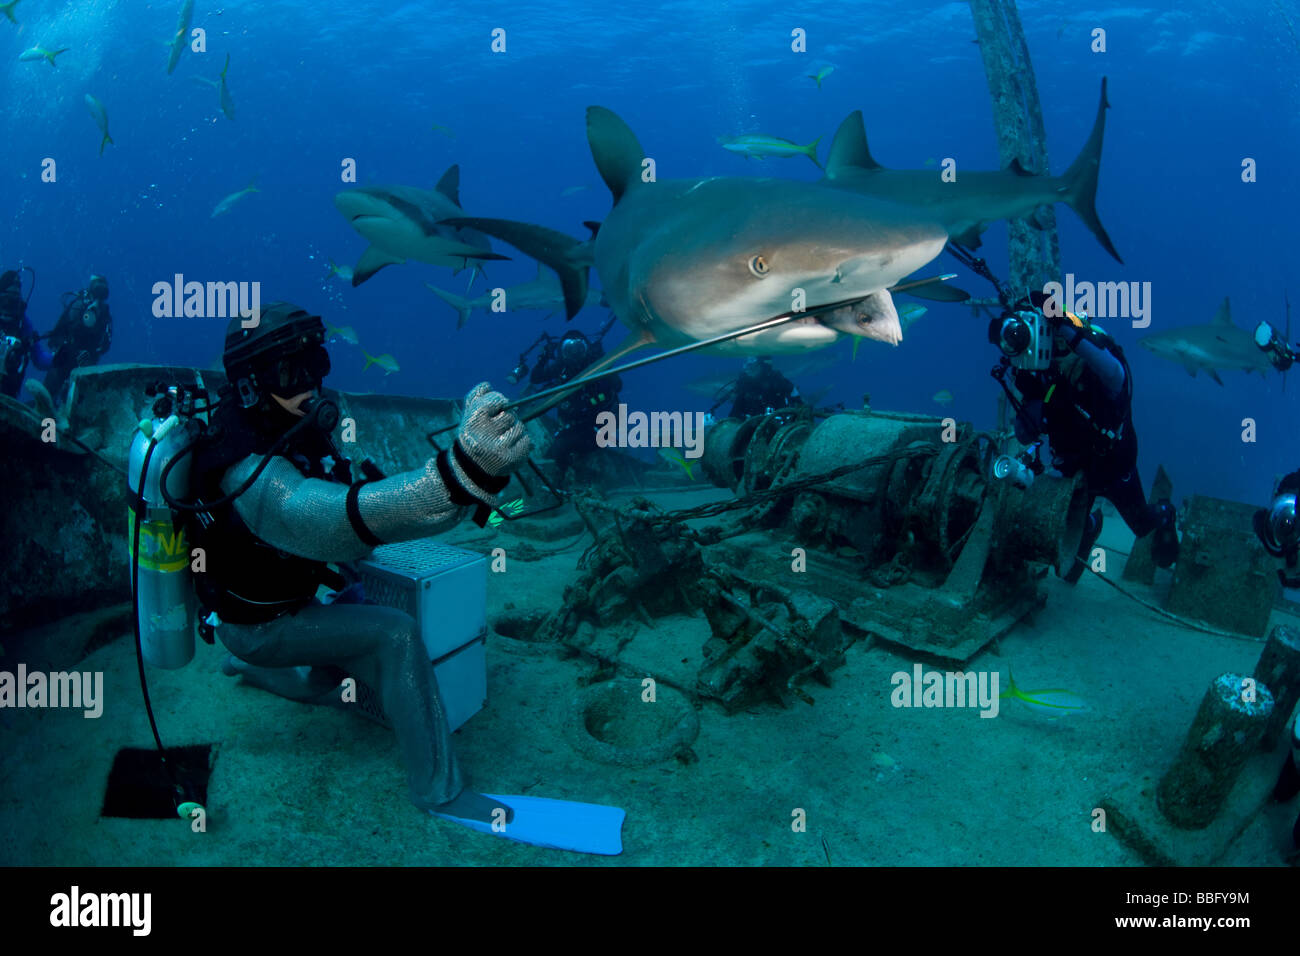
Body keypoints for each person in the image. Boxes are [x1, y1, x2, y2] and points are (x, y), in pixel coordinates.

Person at [185, 301, 530, 824]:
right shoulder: (248, 471)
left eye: (316, 363)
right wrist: (458, 473)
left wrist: (470, 492)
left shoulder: (290, 425)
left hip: (281, 603)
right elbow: (328, 520)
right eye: (289, 372)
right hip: (263, 622)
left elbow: (364, 508)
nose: (311, 383)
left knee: (321, 682)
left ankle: (247, 666)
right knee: (395, 633)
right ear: (252, 385)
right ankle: (439, 791)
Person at [991, 291, 1179, 583]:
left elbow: (1116, 374)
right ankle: (1091, 525)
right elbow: (1024, 434)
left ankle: (1166, 513)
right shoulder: (1047, 376)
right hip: (1072, 466)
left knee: (1142, 525)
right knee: (1063, 535)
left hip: (1113, 465)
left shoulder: (1103, 369)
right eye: (1056, 346)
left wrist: (1065, 327)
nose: (1061, 356)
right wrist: (1030, 393)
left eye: (1065, 346)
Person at [528, 328, 620, 475]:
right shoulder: (562, 366)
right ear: (562, 353)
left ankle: (560, 483)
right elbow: (535, 378)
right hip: (573, 425)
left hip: (600, 424)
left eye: (578, 349)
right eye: (569, 350)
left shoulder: (594, 365)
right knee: (563, 444)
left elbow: (617, 385)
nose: (575, 355)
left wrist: (604, 361)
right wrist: (544, 357)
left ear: (586, 349)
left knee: (561, 447)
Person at [43, 274, 112, 403]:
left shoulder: (105, 316)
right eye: (97, 291)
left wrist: (91, 354)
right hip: (64, 361)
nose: (98, 300)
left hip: (86, 366)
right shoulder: (78, 306)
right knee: (47, 395)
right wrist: (69, 349)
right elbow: (56, 336)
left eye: (102, 294)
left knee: (79, 403)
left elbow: (105, 345)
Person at [0, 268, 53, 400]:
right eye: (6, 300)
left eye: (14, 301)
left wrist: (57, 359)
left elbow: (40, 359)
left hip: (9, 398)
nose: (9, 306)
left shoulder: (22, 323)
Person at [726, 356, 802, 419]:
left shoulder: (778, 382)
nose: (748, 368)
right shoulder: (743, 386)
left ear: (763, 366)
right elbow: (733, 416)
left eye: (752, 364)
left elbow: (797, 401)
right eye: (746, 364)